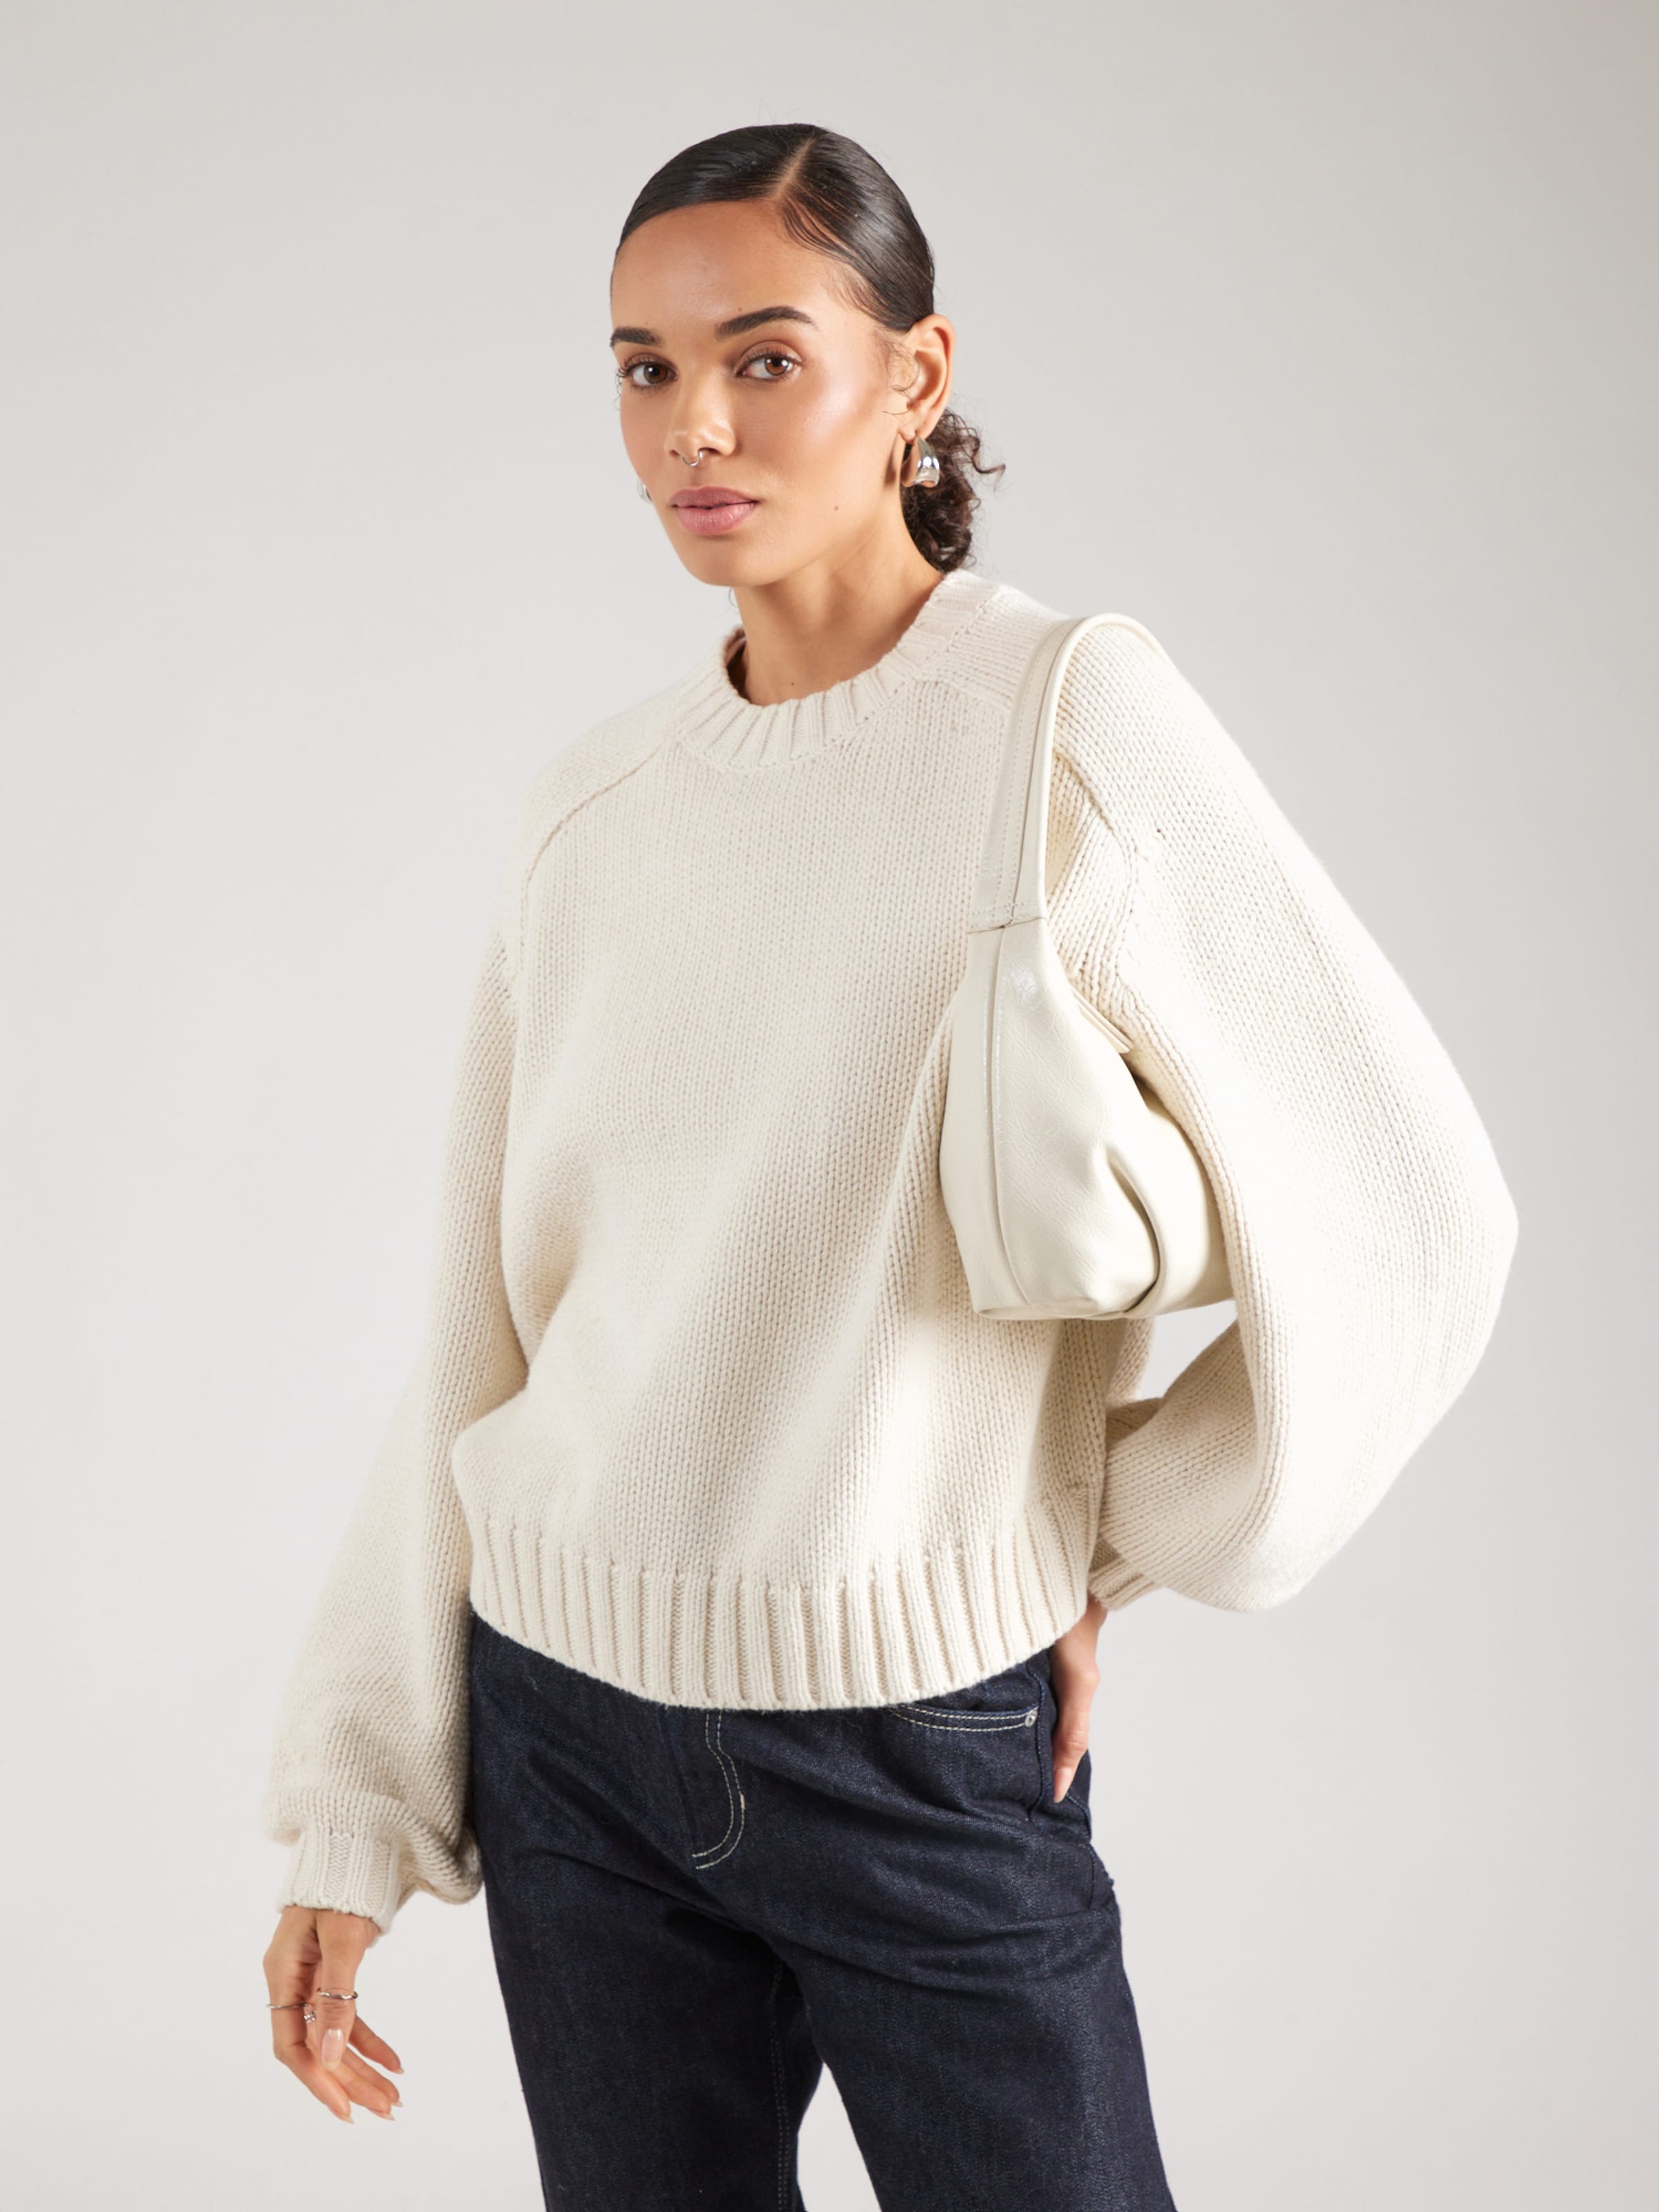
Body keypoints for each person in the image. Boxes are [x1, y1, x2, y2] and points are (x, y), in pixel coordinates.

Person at [259, 123, 1517, 2209]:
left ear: (916, 378)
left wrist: (1108, 1543)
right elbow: (485, 1331)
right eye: (647, 370)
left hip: (915, 1747)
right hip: (566, 1739)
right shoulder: (590, 810)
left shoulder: (1066, 719)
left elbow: (1414, 1216)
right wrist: (357, 1809)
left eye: (765, 358)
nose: (695, 425)